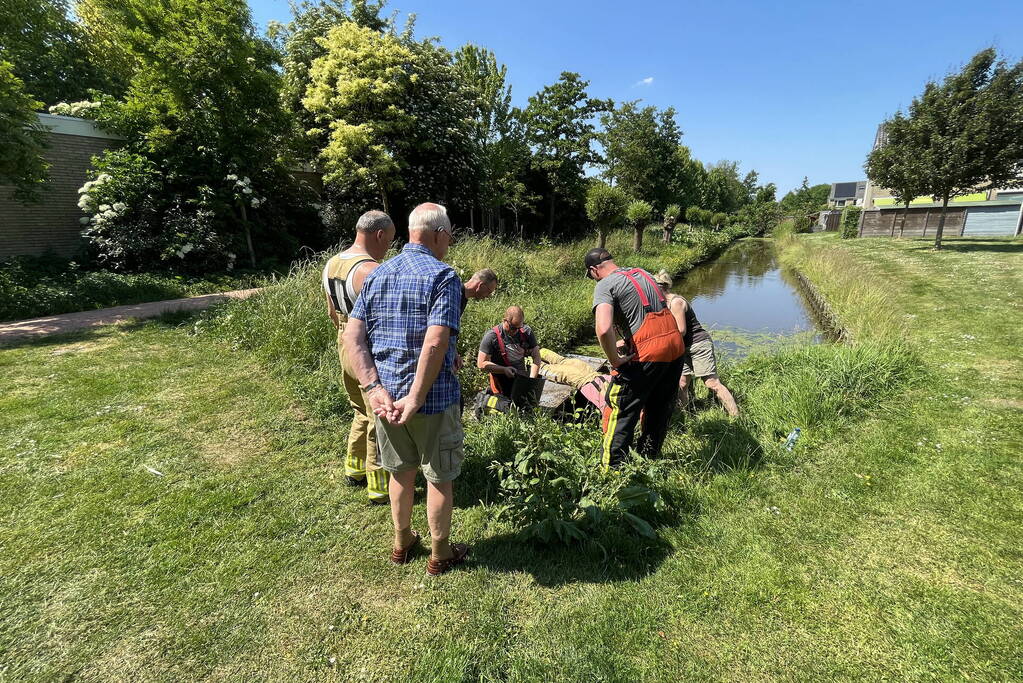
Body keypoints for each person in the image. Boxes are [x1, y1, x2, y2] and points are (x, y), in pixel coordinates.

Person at [343, 202, 469, 576]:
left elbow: (353, 335)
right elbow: (435, 342)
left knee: (401, 474)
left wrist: (373, 388)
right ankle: (440, 553)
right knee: (439, 477)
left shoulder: (378, 274)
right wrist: (416, 397)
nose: (448, 243)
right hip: (431, 399)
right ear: (437, 234)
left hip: (387, 399)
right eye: (448, 236)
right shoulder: (443, 276)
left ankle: (401, 543)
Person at [585, 248, 685, 468]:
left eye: (591, 276)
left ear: (594, 270)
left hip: (649, 354)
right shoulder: (644, 273)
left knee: (620, 411)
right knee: (659, 409)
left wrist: (615, 360)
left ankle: (612, 472)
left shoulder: (605, 284)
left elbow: (603, 329)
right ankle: (648, 460)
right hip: (676, 349)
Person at [322, 210, 395, 504]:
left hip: (343, 343)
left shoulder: (332, 263)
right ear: (379, 235)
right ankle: (379, 486)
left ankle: (353, 469)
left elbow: (331, 312)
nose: (388, 247)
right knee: (379, 416)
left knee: (360, 411)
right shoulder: (370, 271)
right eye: (389, 241)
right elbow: (385, 322)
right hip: (367, 349)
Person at [653, 270, 739, 417]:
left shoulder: (676, 302)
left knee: (711, 383)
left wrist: (660, 340)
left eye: (653, 287)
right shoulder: (661, 304)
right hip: (681, 348)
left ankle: (736, 416)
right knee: (681, 384)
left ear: (662, 287)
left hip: (698, 344)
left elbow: (681, 331)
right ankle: (684, 416)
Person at [477, 305, 541, 396]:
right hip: (500, 380)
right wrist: (504, 369)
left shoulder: (526, 332)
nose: (516, 331)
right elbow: (481, 364)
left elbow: (536, 356)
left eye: (519, 327)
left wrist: (531, 381)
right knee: (504, 406)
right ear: (505, 321)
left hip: (521, 378)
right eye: (513, 328)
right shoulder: (492, 336)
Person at [538, 348, 611, 411]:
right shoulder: (612, 406)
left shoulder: (619, 388)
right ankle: (532, 355)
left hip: (588, 371)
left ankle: (536, 350)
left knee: (561, 361)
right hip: (580, 378)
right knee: (544, 368)